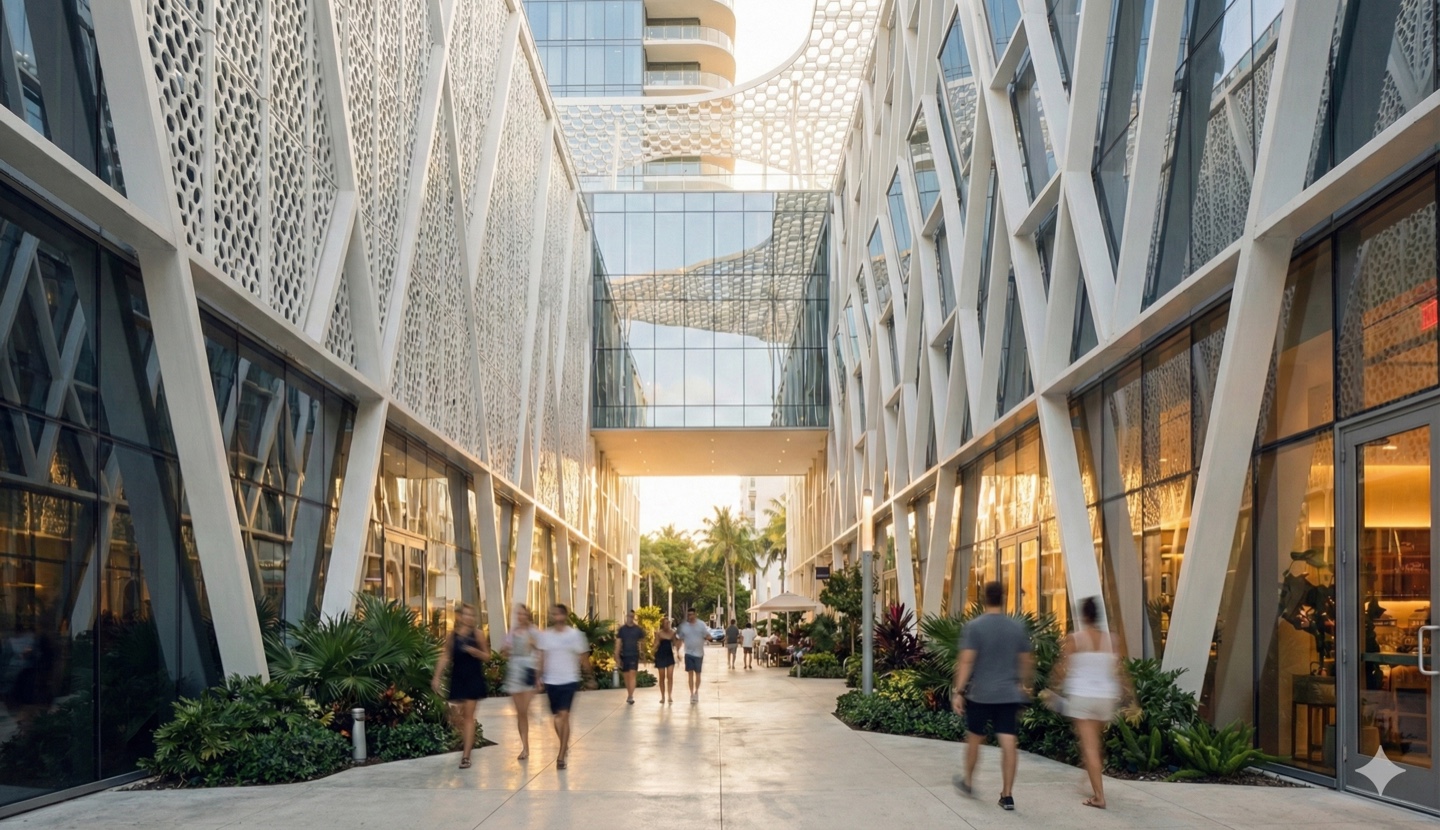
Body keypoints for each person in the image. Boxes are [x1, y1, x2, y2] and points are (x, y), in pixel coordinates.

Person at [951, 581, 1033, 811]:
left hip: (981, 694)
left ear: (984, 599)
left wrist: (959, 692)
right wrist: (1025, 685)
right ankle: (1007, 795)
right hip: (1008, 694)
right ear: (1003, 598)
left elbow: (966, 661)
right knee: (1008, 742)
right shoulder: (1016, 627)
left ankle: (968, 782)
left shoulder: (974, 626)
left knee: (975, 738)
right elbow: (1026, 661)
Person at [1052, 597, 1123, 809]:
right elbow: (1121, 671)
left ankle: (1099, 796)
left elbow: (1062, 668)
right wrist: (1132, 697)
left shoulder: (1075, 639)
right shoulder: (1112, 640)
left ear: (1083, 616)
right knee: (1095, 745)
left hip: (1083, 697)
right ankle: (1089, 774)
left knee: (1090, 748)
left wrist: (1053, 688)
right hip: (1105, 698)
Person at [431, 604, 490, 769]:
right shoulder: (453, 636)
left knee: (469, 717)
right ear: (460, 616)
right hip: (458, 679)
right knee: (461, 717)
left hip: (473, 679)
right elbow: (445, 656)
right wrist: (436, 676)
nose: (470, 618)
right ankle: (468, 741)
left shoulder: (477, 634)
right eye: (467, 615)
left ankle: (466, 756)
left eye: (472, 615)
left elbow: (487, 656)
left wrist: (477, 653)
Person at [534, 603, 591, 770]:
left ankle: (561, 756)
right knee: (557, 718)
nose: (556, 617)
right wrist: (538, 677)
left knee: (564, 715)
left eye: (559, 614)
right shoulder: (546, 636)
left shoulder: (575, 635)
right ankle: (564, 744)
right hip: (551, 681)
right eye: (554, 614)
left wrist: (589, 677)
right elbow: (541, 657)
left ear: (565, 616)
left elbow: (584, 657)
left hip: (569, 680)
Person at [502, 604, 539, 761]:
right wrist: (507, 650)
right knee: (520, 713)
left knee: (524, 709)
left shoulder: (534, 631)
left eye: (523, 614)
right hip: (515, 670)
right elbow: (504, 651)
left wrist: (539, 676)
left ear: (528, 615)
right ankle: (525, 746)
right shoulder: (513, 631)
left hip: (529, 669)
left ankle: (526, 744)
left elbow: (541, 651)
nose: (521, 617)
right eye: (518, 614)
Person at [677, 608, 712, 704]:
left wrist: (709, 637)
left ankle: (696, 691)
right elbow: (680, 639)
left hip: (699, 653)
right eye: (689, 615)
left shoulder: (701, 625)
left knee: (698, 674)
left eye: (692, 614)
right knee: (690, 674)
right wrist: (677, 651)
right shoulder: (685, 626)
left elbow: (707, 635)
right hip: (688, 653)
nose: (690, 616)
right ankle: (691, 693)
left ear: (695, 614)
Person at [616, 610, 645, 704]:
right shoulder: (622, 629)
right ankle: (629, 693)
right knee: (626, 676)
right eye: (629, 616)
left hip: (634, 655)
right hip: (624, 655)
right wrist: (616, 655)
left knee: (632, 674)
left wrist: (642, 653)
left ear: (634, 617)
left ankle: (630, 696)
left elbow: (642, 642)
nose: (630, 618)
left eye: (632, 616)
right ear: (626, 616)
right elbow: (618, 643)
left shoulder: (638, 629)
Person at [654, 616, 677, 703]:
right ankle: (663, 696)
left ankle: (670, 696)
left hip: (669, 655)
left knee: (670, 677)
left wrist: (678, 653)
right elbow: (656, 644)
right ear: (662, 624)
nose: (668, 624)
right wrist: (652, 651)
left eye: (669, 623)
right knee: (662, 677)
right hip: (660, 655)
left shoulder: (672, 633)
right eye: (666, 623)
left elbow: (675, 643)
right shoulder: (659, 633)